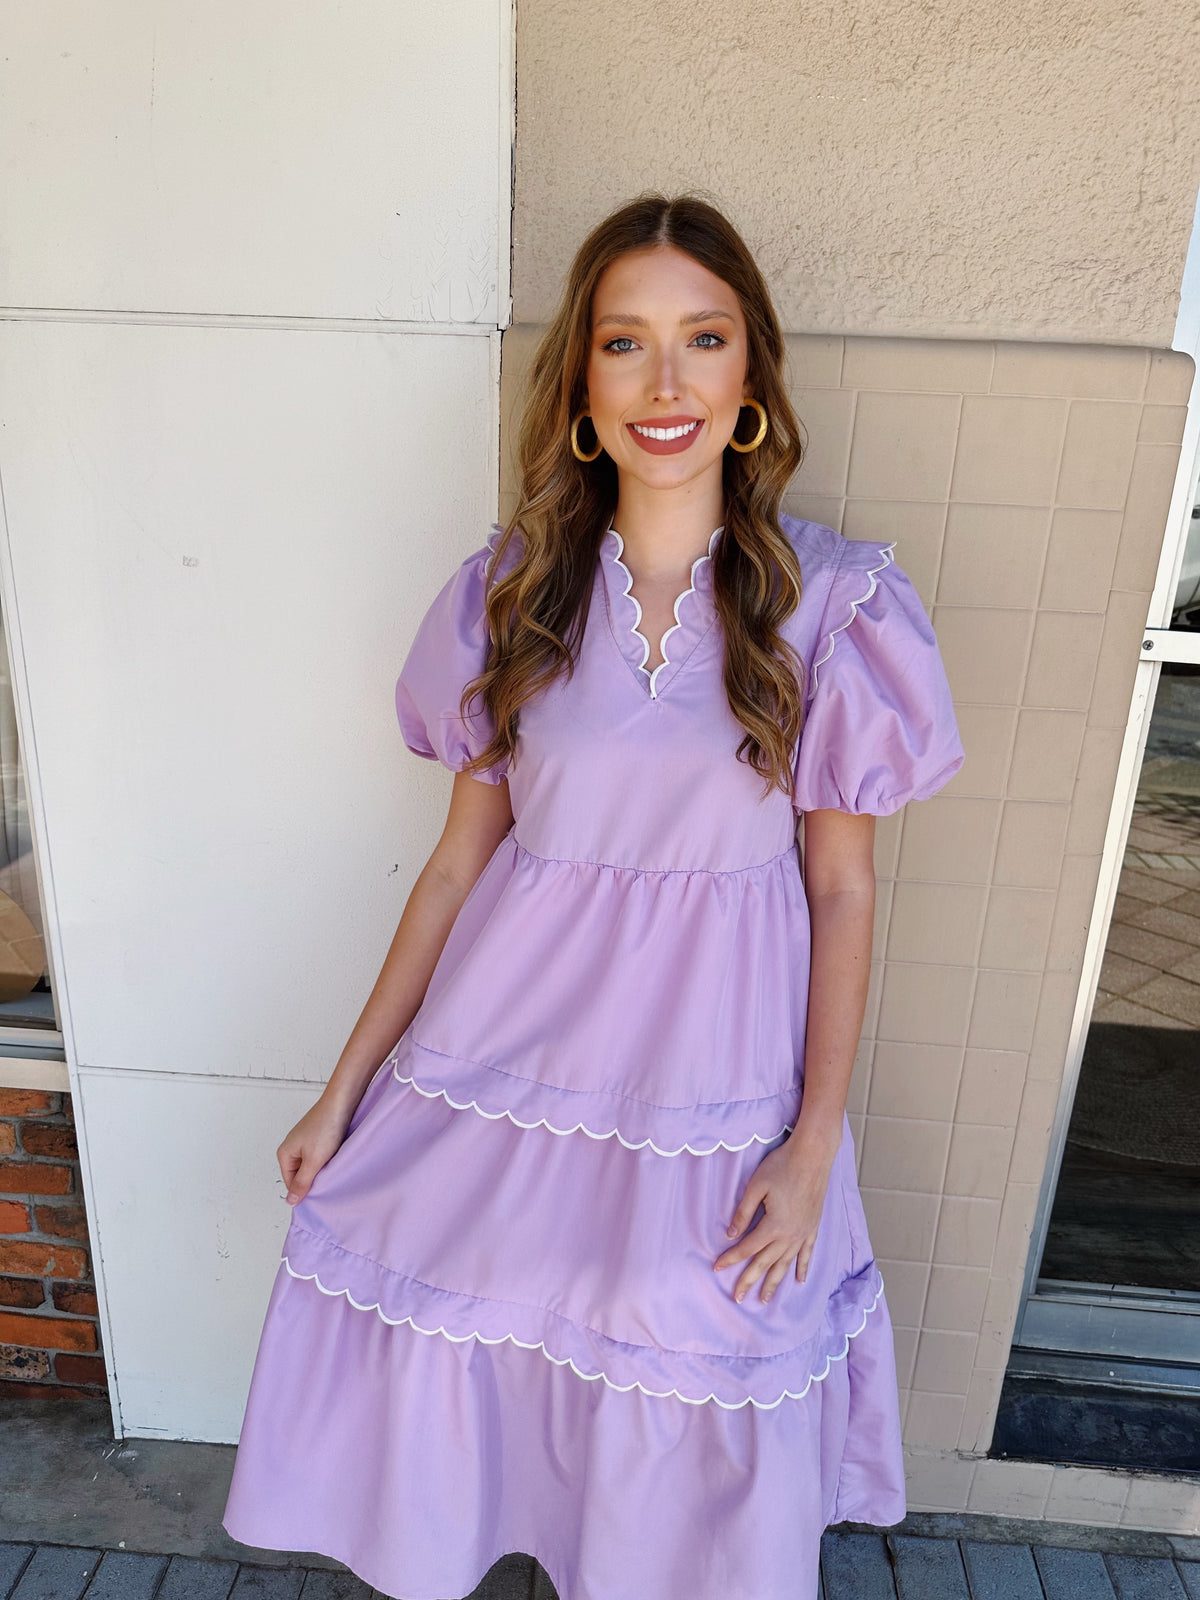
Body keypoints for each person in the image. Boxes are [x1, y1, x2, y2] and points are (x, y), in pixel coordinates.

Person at [222, 192, 965, 1600]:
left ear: (753, 378)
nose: (666, 383)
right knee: (473, 1310)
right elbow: (458, 865)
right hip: (512, 1069)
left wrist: (815, 1144)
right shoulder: (511, 596)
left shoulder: (837, 609)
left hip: (710, 1082)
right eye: (626, 343)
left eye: (704, 339)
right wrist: (342, 1091)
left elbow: (844, 891)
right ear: (581, 381)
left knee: (682, 1356)